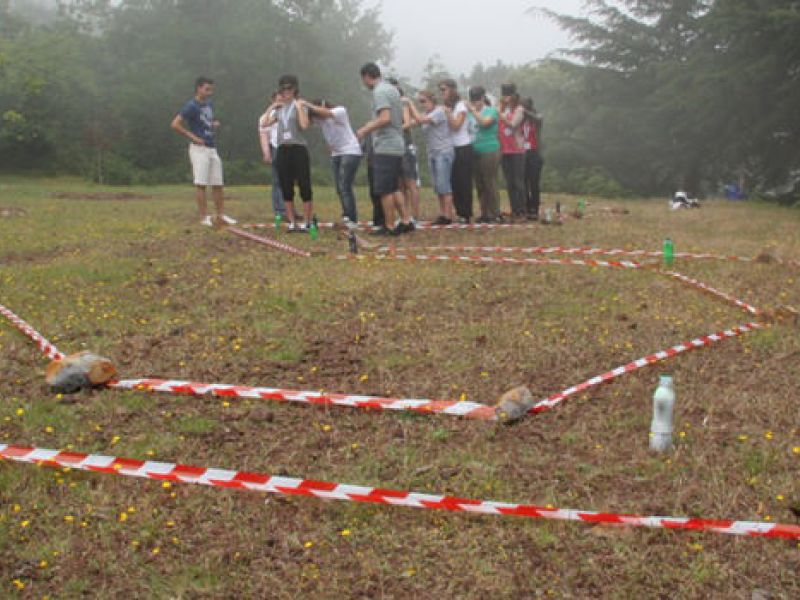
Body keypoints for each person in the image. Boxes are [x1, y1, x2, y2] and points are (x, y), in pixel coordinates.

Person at [171, 76, 236, 226]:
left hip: (212, 147)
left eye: (211, 90)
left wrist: (213, 124)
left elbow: (204, 122)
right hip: (199, 149)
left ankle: (220, 214)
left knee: (218, 183)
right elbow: (175, 124)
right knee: (201, 183)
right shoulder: (191, 106)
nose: (209, 92)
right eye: (207, 89)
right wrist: (192, 136)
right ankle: (203, 217)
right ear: (199, 88)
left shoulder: (208, 104)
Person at [356, 63, 412, 236]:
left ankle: (389, 225)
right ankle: (406, 220)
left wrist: (365, 130)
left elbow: (385, 118)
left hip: (386, 146)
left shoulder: (379, 92)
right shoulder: (392, 89)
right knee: (394, 187)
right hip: (396, 144)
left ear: (366, 77)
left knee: (384, 190)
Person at [264, 74, 313, 232]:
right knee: (286, 186)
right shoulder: (279, 108)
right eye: (283, 89)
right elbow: (264, 123)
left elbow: (305, 126)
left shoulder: (300, 105)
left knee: (304, 185)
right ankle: (292, 222)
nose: (286, 92)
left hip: (298, 148)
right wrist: (271, 107)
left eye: (289, 88)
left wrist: (299, 108)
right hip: (282, 149)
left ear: (295, 89)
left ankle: (307, 221)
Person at [305, 99, 362, 226]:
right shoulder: (319, 119)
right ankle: (346, 215)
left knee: (345, 186)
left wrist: (307, 104)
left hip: (350, 151)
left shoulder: (340, 111)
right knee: (339, 187)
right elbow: (305, 123)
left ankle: (352, 219)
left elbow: (325, 113)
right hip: (336, 154)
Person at [406, 90, 456, 225]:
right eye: (419, 102)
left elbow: (420, 120)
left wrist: (410, 104)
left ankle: (448, 215)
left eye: (423, 101)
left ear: (432, 100)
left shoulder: (439, 111)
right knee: (438, 186)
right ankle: (443, 213)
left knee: (444, 184)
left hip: (443, 152)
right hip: (433, 153)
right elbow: (412, 122)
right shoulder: (426, 113)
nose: (421, 104)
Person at [440, 79, 474, 223]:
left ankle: (465, 213)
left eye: (444, 90)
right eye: (441, 90)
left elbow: (456, 126)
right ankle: (458, 210)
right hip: (451, 147)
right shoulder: (448, 106)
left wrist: (447, 114)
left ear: (452, 90)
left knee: (463, 181)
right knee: (453, 181)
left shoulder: (460, 106)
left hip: (463, 147)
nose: (442, 93)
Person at [467, 86, 501, 223]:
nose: (475, 102)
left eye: (477, 99)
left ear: (482, 98)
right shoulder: (469, 113)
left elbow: (484, 123)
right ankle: (484, 212)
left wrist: (473, 111)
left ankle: (495, 213)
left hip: (490, 149)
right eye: (472, 99)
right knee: (479, 183)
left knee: (489, 182)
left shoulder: (491, 111)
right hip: (475, 150)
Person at [389, 78, 421, 225]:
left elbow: (408, 123)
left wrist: (391, 131)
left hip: (406, 146)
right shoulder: (390, 104)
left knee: (411, 183)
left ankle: (415, 216)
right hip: (395, 147)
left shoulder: (402, 102)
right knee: (400, 184)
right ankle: (405, 216)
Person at [497, 83, 527, 220]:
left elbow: (513, 124)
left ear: (513, 95)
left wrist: (500, 115)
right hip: (504, 149)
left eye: (508, 95)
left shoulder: (519, 109)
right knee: (509, 182)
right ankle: (514, 208)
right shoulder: (502, 109)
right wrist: (500, 110)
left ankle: (521, 209)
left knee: (518, 182)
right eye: (503, 95)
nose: (505, 97)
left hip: (517, 149)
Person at [258, 91, 286, 222]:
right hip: (276, 147)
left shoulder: (289, 113)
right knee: (278, 181)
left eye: (283, 100)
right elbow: (264, 132)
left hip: (290, 147)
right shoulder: (267, 116)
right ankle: (280, 211)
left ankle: (290, 209)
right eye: (278, 100)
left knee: (289, 181)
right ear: (273, 101)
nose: (281, 103)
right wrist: (266, 152)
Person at [522, 97, 544, 220]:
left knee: (534, 183)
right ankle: (526, 207)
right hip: (522, 153)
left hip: (534, 153)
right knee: (523, 183)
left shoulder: (536, 117)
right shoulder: (520, 120)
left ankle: (534, 209)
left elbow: (539, 119)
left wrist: (523, 111)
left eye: (524, 106)